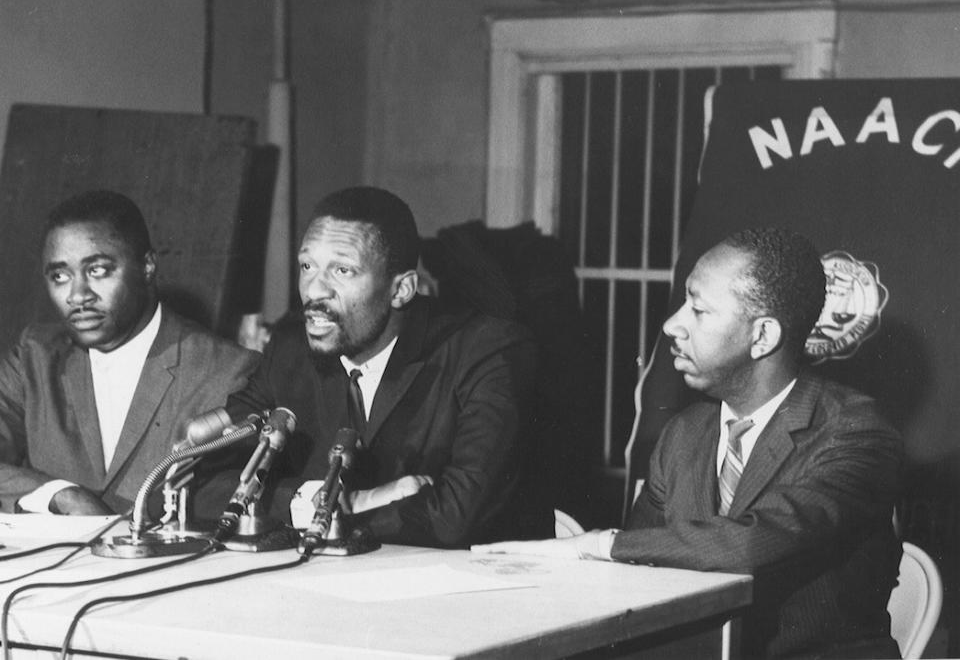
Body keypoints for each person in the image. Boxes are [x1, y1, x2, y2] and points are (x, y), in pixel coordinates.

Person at [474, 227, 903, 660]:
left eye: (697, 310)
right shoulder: (684, 434)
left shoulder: (856, 431)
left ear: (763, 337)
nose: (671, 324)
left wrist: (596, 546)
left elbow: (756, 541)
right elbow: (641, 571)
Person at [222, 186, 545, 547]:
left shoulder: (487, 351)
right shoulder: (290, 350)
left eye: (342, 270)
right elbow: (205, 482)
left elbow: (455, 516)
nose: (313, 291)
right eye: (307, 266)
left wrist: (331, 510)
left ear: (401, 289)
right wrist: (352, 501)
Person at [0, 190, 259, 515]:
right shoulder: (33, 357)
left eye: (98, 270)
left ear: (147, 266)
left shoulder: (227, 371)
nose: (77, 296)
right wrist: (59, 495)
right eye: (60, 276)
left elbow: (238, 497)